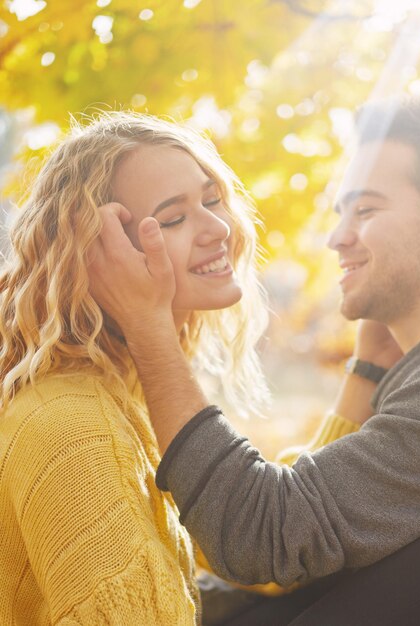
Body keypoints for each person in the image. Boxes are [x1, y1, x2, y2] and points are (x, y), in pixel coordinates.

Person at [89, 95, 420, 625]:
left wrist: (150, 332)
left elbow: (261, 536)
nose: (337, 238)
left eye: (367, 209)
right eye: (340, 213)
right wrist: (369, 371)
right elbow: (307, 548)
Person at [0, 111, 274, 624]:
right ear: (102, 253)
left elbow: (255, 544)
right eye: (173, 219)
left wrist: (367, 367)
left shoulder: (125, 393)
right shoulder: (74, 425)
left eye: (212, 200)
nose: (218, 228)